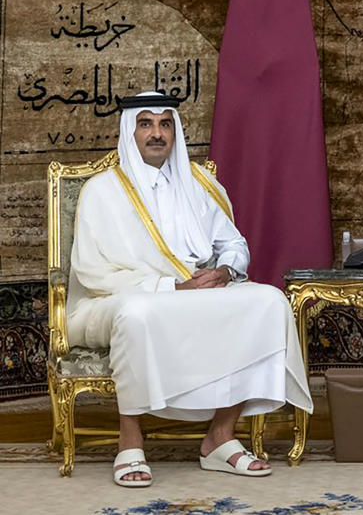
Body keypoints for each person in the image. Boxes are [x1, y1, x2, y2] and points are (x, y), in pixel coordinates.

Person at [66, 92, 313, 486]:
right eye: (145, 124)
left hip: (197, 292)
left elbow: (233, 244)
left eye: (165, 124)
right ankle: (130, 441)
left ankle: (220, 436)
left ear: (175, 132)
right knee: (137, 314)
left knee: (268, 302)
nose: (156, 134)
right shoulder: (103, 191)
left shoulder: (198, 183)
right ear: (130, 131)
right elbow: (94, 274)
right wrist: (170, 286)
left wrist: (227, 272)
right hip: (125, 298)